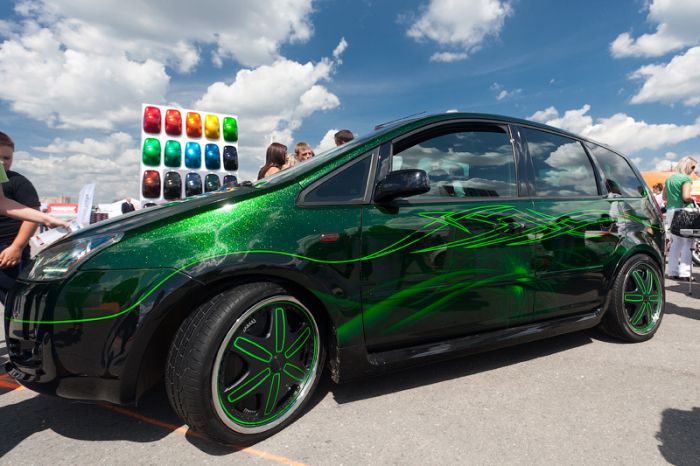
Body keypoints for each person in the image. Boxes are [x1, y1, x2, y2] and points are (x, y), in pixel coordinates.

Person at [0, 132, 69, 301]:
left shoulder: (17, 181)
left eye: (6, 158)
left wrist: (46, 218)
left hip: (7, 246)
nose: (1, 163)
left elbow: (2, 202)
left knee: (15, 298)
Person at [663, 156, 697, 281]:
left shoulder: (669, 179)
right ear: (687, 166)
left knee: (676, 243)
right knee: (688, 242)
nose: (693, 169)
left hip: (671, 211)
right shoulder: (686, 178)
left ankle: (672, 271)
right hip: (684, 212)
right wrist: (692, 199)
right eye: (693, 167)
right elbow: (686, 197)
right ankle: (685, 273)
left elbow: (664, 196)